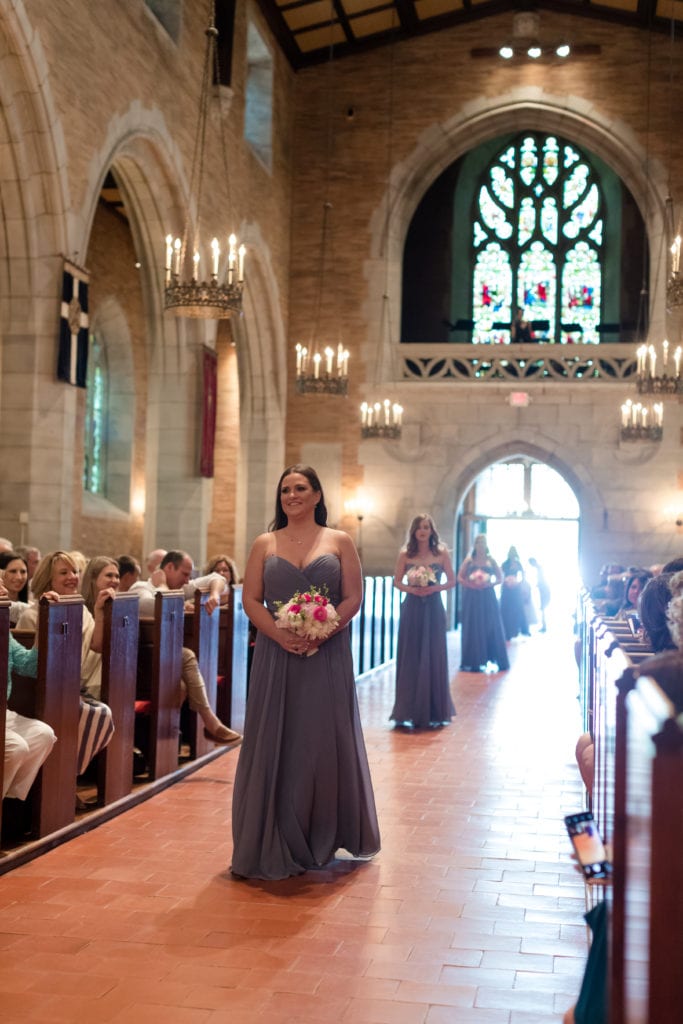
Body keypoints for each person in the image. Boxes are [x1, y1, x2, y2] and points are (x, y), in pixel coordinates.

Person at [231, 464, 380, 880]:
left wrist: (322, 630)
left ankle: (323, 833)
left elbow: (353, 596)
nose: (291, 496)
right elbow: (252, 600)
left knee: (320, 741)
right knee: (278, 738)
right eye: (285, 491)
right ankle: (274, 833)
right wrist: (281, 637)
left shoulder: (340, 541)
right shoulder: (265, 543)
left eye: (300, 488)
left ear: (317, 495)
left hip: (327, 654)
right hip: (277, 656)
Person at [15, 550, 115, 776]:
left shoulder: (78, 608)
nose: (72, 576)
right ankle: (64, 777)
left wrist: (99, 611)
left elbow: (97, 645)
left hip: (69, 690)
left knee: (102, 714)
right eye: (64, 572)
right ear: (48, 580)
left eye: (75, 571)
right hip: (41, 692)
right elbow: (32, 666)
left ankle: (68, 776)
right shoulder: (32, 614)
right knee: (98, 715)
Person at [128, 550, 241, 744]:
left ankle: (164, 743)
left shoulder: (179, 587)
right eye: (185, 574)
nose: (188, 581)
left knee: (179, 685)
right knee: (187, 655)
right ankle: (210, 723)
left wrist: (213, 594)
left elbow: (215, 578)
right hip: (137, 664)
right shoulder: (140, 588)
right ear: (169, 568)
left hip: (163, 661)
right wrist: (163, 585)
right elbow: (158, 605)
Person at [390, 513, 456, 729]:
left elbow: (452, 581)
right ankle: (406, 708)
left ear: (431, 531)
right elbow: (396, 582)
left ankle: (435, 709)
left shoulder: (441, 552)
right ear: (414, 531)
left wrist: (434, 587)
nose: (423, 530)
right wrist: (412, 589)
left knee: (434, 653)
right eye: (419, 527)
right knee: (411, 653)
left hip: (434, 607)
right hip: (412, 607)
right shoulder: (405, 554)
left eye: (426, 527)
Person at [2, 581, 57, 800]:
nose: (5, 590)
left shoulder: (4, 634)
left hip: (3, 714)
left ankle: (8, 802)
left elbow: (30, 666)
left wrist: (44, 620)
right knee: (16, 748)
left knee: (43, 734)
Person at [457, 533, 509, 672]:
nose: (481, 545)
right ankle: (473, 659)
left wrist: (488, 584)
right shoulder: (469, 560)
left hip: (487, 596)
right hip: (472, 596)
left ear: (486, 545)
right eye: (478, 542)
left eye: (483, 542)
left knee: (490, 625)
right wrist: (471, 583)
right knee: (473, 625)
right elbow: (460, 577)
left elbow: (500, 578)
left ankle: (492, 656)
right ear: (475, 544)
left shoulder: (491, 560)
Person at [499, 545, 529, 640]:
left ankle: (517, 629)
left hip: (516, 589)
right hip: (507, 589)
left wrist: (518, 583)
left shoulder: (518, 563)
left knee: (517, 609)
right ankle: (506, 631)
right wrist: (506, 581)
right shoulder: (505, 564)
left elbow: (523, 575)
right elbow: (500, 574)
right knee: (506, 609)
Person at [0, 550, 30, 624]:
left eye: (23, 572)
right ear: (1, 573)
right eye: (13, 571)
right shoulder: (30, 608)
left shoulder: (30, 605)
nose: (19, 577)